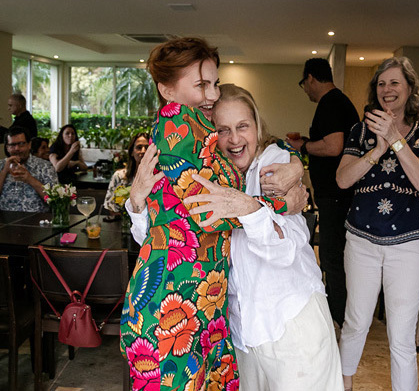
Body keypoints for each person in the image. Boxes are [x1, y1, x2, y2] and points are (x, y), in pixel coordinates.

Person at [129, 83, 342, 390]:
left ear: (257, 126)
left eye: (243, 126)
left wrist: (249, 208)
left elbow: (284, 250)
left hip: (292, 324)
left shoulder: (273, 163)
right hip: (241, 335)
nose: (234, 139)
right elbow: (160, 241)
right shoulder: (205, 178)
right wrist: (137, 201)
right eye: (222, 129)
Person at [119, 37, 304, 391]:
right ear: (167, 90)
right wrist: (282, 204)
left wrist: (295, 166)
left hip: (202, 300)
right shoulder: (177, 126)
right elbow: (210, 212)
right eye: (201, 84)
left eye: (215, 83)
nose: (213, 94)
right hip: (171, 306)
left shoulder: (200, 133)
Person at [336, 56, 419, 391]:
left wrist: (395, 140)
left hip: (409, 247)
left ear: (410, 88)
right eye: (381, 83)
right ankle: (344, 386)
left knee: (401, 334)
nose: (387, 89)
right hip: (362, 241)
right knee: (355, 322)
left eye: (395, 82)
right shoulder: (360, 130)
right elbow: (342, 179)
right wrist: (376, 149)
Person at [288, 57, 358, 328]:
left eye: (303, 83)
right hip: (338, 194)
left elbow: (333, 146)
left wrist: (303, 147)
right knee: (334, 255)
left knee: (333, 256)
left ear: (310, 78)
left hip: (337, 195)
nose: (304, 89)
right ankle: (340, 313)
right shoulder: (338, 102)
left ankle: (338, 317)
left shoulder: (330, 103)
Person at [0, 127, 57, 212]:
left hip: (36, 220)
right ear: (7, 148)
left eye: (21, 144)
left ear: (29, 145)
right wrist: (4, 171)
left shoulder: (45, 166)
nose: (17, 148)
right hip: (4, 221)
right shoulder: (1, 165)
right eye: (12, 145)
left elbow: (55, 201)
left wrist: (30, 180)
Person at [102, 132, 150, 214]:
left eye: (147, 148)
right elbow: (110, 207)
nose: (143, 151)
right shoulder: (119, 176)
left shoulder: (158, 179)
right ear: (132, 152)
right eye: (139, 147)